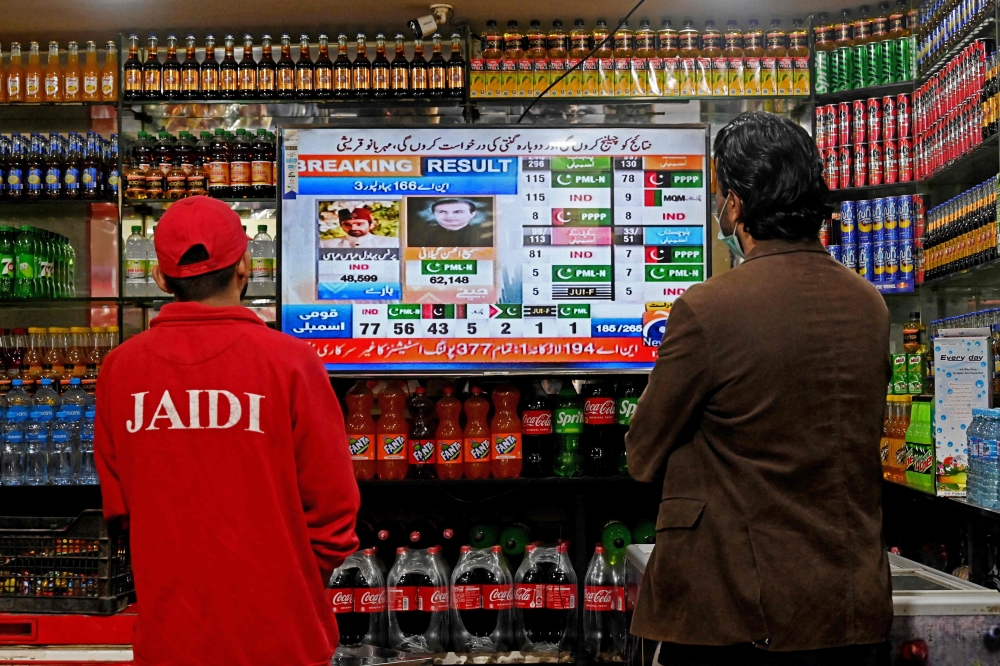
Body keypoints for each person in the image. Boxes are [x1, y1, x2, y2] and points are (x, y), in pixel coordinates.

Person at [625, 112, 892, 666]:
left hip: (736, 614)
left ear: (738, 205)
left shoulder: (707, 308)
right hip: (846, 609)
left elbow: (642, 454)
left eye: (718, 194)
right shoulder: (869, 303)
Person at [95, 196, 361, 665]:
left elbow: (121, 511)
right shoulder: (291, 363)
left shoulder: (120, 370)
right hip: (283, 638)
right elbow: (335, 509)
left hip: (170, 638)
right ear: (246, 267)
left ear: (159, 278)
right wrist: (288, 574)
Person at [407, 197, 493, 248]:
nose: (449, 216)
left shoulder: (486, 235)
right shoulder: (419, 236)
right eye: (442, 212)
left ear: (472, 214)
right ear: (434, 214)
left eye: (458, 212)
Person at [321, 206, 398, 249]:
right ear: (341, 226)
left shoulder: (392, 243)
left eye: (359, 224)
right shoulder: (326, 245)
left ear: (371, 225)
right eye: (347, 224)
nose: (353, 228)